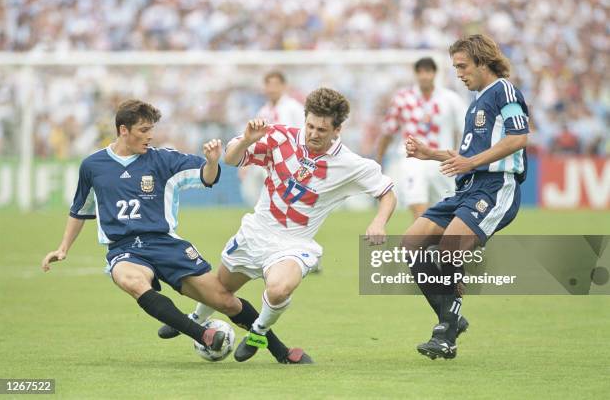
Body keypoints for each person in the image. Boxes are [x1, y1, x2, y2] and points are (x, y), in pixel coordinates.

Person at [41, 99, 306, 364]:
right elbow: (80, 209)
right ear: (123, 130)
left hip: (166, 244)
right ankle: (202, 334)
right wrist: (63, 247)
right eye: (143, 130)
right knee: (131, 280)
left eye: (151, 129)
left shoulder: (163, 159)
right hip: (124, 248)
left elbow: (207, 177)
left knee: (225, 301)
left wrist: (212, 162)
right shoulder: (93, 166)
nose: (150, 136)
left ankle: (281, 351)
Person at [159, 88, 397, 362]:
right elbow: (230, 159)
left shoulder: (351, 164)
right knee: (220, 290)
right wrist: (247, 140)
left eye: (322, 129)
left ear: (337, 130)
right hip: (256, 233)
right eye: (310, 125)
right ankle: (197, 317)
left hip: (294, 243)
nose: (313, 133)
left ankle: (258, 332)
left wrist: (379, 222)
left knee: (279, 288)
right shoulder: (280, 136)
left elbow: (387, 193)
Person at [403, 34, 529, 360]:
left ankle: (444, 332)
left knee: (450, 248)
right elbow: (467, 154)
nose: (458, 73)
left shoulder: (504, 91)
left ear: (482, 61)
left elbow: (519, 137)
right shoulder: (476, 102)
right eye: (455, 67)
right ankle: (451, 320)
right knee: (411, 244)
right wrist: (431, 153)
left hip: (495, 187)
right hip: (467, 189)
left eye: (462, 66)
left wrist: (471, 162)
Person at [377, 57, 466, 219]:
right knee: (419, 208)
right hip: (413, 160)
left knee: (446, 214)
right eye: (421, 72)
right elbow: (388, 131)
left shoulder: (450, 99)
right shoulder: (403, 98)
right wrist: (379, 158)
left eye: (428, 72)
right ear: (416, 74)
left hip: (442, 161)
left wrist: (461, 155)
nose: (424, 76)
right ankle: (422, 244)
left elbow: (465, 129)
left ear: (435, 73)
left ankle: (434, 244)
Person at [239, 70, 305, 207]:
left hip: (288, 162)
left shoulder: (294, 108)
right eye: (268, 85)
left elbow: (304, 135)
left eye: (275, 84)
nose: (272, 89)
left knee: (284, 201)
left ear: (283, 86)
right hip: (265, 161)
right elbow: (257, 139)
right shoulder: (263, 111)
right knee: (252, 193)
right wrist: (247, 163)